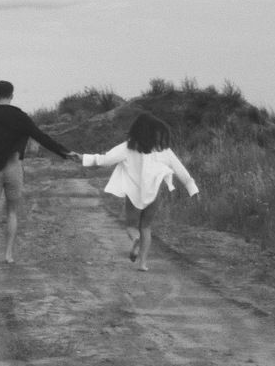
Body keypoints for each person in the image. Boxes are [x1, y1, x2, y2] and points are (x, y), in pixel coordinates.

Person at [0, 80, 77, 263]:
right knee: (12, 212)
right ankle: (8, 255)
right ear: (12, 95)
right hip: (14, 167)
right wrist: (65, 152)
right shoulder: (20, 117)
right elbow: (42, 137)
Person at [74, 112, 199, 272]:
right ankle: (143, 264)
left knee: (131, 226)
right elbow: (181, 171)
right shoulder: (163, 150)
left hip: (134, 195)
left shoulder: (128, 147)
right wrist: (193, 189)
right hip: (153, 195)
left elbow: (104, 160)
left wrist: (81, 157)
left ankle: (135, 239)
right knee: (146, 227)